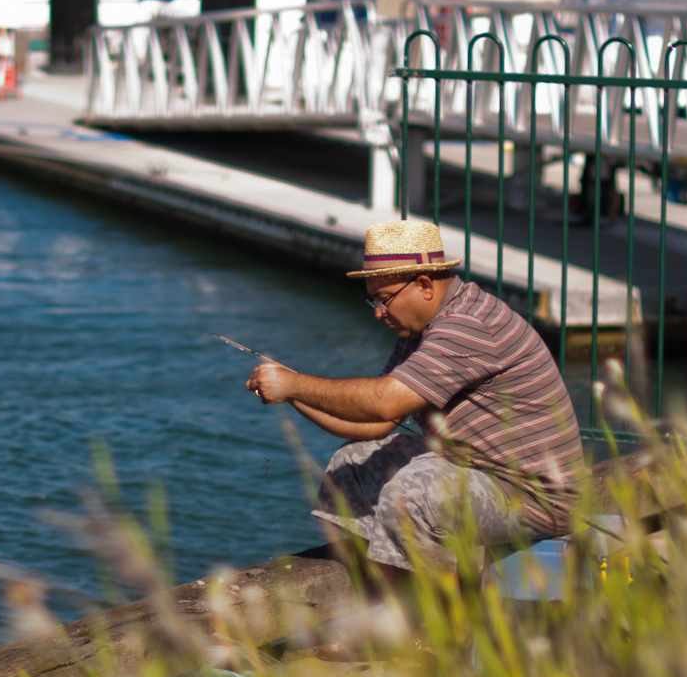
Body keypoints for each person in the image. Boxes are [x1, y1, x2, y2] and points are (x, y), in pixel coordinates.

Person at [245, 218, 585, 570]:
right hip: (478, 469)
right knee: (349, 466)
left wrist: (294, 384)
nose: (379, 313)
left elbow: (385, 402)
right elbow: (378, 423)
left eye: (384, 300)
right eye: (373, 301)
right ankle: (383, 600)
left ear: (424, 284)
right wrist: (293, 393)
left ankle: (440, 620)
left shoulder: (468, 325)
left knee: (411, 496)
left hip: (535, 497)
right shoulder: (419, 330)